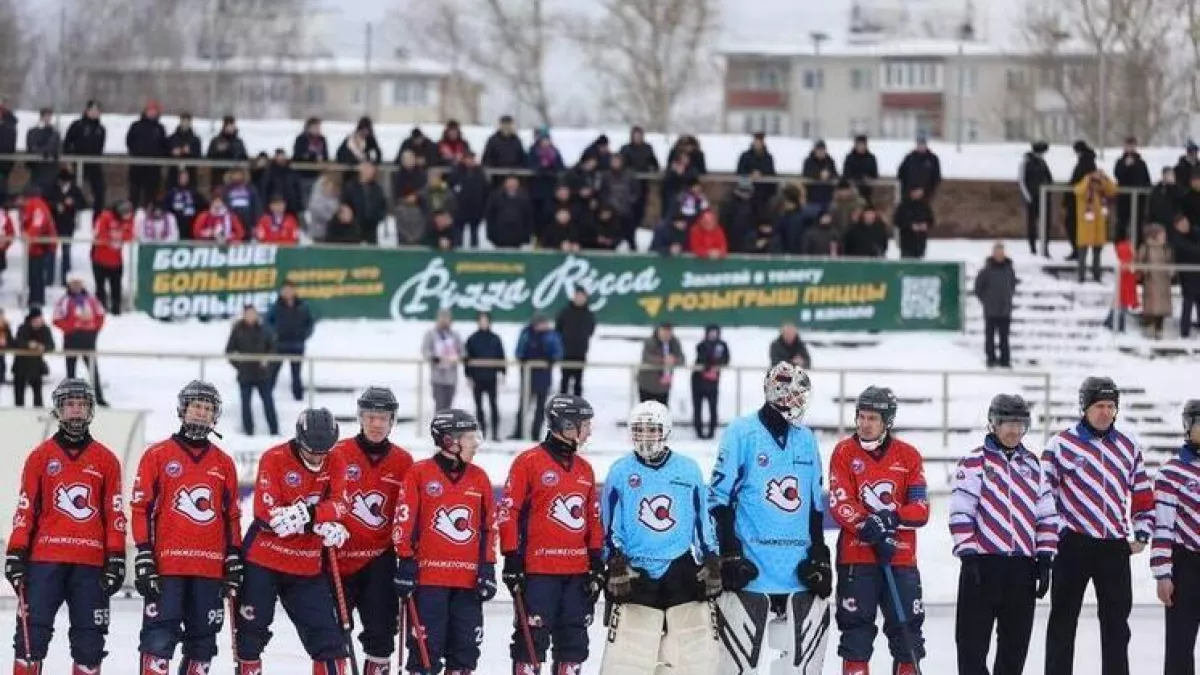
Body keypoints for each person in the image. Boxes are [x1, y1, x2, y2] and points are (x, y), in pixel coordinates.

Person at [709, 362, 832, 675]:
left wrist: (820, 555)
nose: (800, 401)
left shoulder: (806, 439)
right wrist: (729, 553)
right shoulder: (741, 432)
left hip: (798, 573)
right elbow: (719, 499)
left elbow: (814, 506)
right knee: (737, 667)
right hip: (751, 570)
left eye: (802, 395)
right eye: (795, 394)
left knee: (801, 669)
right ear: (778, 393)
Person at [5, 378, 126, 675]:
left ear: (90, 410)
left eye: (82, 405)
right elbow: (25, 508)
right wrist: (16, 552)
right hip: (44, 562)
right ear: (59, 409)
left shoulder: (106, 460)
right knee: (30, 640)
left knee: (90, 645)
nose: (76, 410)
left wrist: (116, 557)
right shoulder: (40, 456)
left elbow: (114, 514)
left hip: (90, 565)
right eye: (70, 404)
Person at [600, 400, 722, 675]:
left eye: (651, 429)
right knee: (629, 661)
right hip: (636, 571)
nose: (645, 436)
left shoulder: (688, 469)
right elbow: (607, 524)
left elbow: (702, 519)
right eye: (638, 430)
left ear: (665, 431)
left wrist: (711, 558)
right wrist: (614, 562)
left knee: (692, 658)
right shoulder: (620, 471)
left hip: (679, 567)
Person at [1042, 376, 1153, 675]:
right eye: (1099, 406)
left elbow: (1142, 492)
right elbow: (1043, 496)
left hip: (1113, 546)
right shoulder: (1061, 444)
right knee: (1063, 621)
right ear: (1084, 407)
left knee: (1117, 625)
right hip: (1073, 544)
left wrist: (1142, 532)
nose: (1105, 412)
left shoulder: (1128, 445)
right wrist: (1059, 533)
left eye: (1110, 406)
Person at [131, 380, 241, 675]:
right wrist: (144, 553)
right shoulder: (157, 455)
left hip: (209, 569)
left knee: (203, 644)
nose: (202, 413)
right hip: (168, 568)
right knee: (158, 639)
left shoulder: (224, 463)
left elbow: (232, 516)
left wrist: (233, 556)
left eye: (208, 409)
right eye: (196, 407)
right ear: (183, 409)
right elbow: (141, 508)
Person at [235, 407, 351, 675]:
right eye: (311, 451)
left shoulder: (337, 459)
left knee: (330, 641)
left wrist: (312, 516)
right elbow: (268, 515)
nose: (318, 457)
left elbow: (342, 503)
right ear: (299, 440)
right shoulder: (274, 458)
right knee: (250, 637)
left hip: (306, 565)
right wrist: (319, 521)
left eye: (324, 452)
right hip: (264, 559)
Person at [950, 394, 1056, 675]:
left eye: (1020, 424)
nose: (1014, 430)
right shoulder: (973, 462)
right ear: (993, 424)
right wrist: (968, 555)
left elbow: (1047, 516)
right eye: (1008, 423)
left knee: (1014, 650)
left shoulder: (1033, 465)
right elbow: (961, 513)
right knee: (971, 648)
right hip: (982, 566)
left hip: (1022, 568)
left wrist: (1045, 558)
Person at [497, 394, 603, 675]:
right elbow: (508, 512)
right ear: (567, 425)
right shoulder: (528, 462)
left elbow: (593, 519)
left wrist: (596, 561)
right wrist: (511, 558)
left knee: (574, 644)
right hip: (539, 572)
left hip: (576, 574)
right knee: (530, 643)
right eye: (585, 424)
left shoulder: (585, 469)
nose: (589, 431)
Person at [829, 386, 930, 675]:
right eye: (861, 416)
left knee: (908, 638)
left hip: (900, 559)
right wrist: (868, 526)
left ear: (887, 421)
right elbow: (840, 501)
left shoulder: (909, 456)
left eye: (872, 418)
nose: (865, 423)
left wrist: (889, 520)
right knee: (855, 638)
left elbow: (920, 509)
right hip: (857, 559)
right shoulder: (844, 452)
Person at [394, 409, 496, 675]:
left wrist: (488, 568)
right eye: (469, 437)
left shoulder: (479, 478)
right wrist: (405, 561)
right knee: (425, 654)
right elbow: (405, 521)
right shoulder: (419, 473)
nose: (475, 443)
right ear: (450, 441)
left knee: (465, 654)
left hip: (467, 583)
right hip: (429, 582)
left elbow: (489, 528)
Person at [332, 387, 414, 675]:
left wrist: (408, 557)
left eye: (383, 418)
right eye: (370, 417)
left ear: (392, 421)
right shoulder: (338, 453)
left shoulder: (404, 462)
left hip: (379, 560)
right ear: (360, 417)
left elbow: (408, 513)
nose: (376, 424)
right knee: (331, 635)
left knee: (381, 634)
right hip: (337, 558)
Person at [1152, 399, 1200, 675]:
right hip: (1187, 565)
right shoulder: (1171, 471)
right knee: (1180, 649)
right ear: (1188, 426)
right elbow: (1163, 526)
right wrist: (1163, 574)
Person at [53, 273, 108, 406]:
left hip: (88, 338)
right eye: (74, 283)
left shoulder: (91, 299)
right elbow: (56, 319)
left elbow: (101, 315)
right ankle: (70, 399)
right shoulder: (64, 300)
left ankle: (99, 398)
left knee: (93, 370)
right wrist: (71, 328)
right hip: (72, 338)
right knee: (71, 372)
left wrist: (94, 330)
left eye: (79, 283)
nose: (77, 286)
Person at [224, 305, 279, 436]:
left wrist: (267, 361)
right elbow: (229, 351)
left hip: (262, 374)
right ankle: (248, 430)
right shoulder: (237, 329)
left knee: (268, 402)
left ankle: (274, 430)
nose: (250, 316)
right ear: (244, 315)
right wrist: (239, 365)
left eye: (252, 313)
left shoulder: (265, 329)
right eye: (248, 314)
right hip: (245, 374)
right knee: (245, 404)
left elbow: (273, 348)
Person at [510, 315, 564, 441]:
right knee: (523, 406)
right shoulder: (526, 334)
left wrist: (552, 358)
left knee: (540, 408)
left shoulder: (551, 336)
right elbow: (519, 351)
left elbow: (558, 352)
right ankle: (519, 432)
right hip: (527, 376)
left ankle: (535, 434)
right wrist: (522, 358)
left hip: (543, 376)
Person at [266, 281, 315, 401]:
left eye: (290, 290)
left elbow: (310, 323)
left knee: (296, 374)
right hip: (279, 345)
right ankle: (267, 397)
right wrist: (274, 334)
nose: (287, 292)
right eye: (285, 290)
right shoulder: (276, 306)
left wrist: (304, 335)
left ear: (294, 291)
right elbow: (267, 322)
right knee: (272, 373)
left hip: (297, 345)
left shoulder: (302, 306)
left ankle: (298, 399)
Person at [973, 242, 1018, 369]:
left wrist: (1007, 298)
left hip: (1005, 309)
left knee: (1004, 337)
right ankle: (991, 358)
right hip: (990, 310)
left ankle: (1005, 359)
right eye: (997, 252)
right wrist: (986, 300)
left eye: (1001, 252)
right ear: (993, 254)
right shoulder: (986, 271)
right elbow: (978, 288)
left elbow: (1012, 285)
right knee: (990, 336)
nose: (999, 255)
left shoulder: (1009, 270)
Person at [464, 312, 506, 442]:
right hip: (477, 377)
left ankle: (495, 433)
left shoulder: (495, 338)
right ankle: (482, 432)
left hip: (491, 377)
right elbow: (467, 358)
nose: (483, 323)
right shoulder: (472, 339)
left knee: (493, 405)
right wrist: (468, 376)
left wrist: (503, 372)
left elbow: (501, 356)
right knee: (479, 407)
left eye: (485, 320)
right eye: (481, 320)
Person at [1072, 168, 1118, 283]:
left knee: (1097, 254)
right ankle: (1081, 276)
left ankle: (1096, 275)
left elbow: (1113, 189)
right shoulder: (1084, 191)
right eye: (1095, 181)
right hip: (1086, 228)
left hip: (1098, 229)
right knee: (1082, 254)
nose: (1096, 185)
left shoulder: (1101, 194)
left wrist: (1105, 177)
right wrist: (1088, 178)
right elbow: (1078, 190)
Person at [91, 199, 135, 314]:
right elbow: (100, 233)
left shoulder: (128, 220)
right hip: (99, 258)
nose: (127, 216)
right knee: (100, 286)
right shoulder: (105, 217)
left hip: (116, 260)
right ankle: (101, 309)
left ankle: (116, 309)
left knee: (116, 286)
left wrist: (119, 237)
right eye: (125, 213)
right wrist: (113, 238)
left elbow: (129, 235)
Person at [63, 101, 106, 211]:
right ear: (87, 111)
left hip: (94, 164)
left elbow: (100, 148)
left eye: (97, 110)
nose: (94, 113)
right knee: (75, 190)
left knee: (100, 190)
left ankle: (97, 216)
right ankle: (74, 213)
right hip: (77, 163)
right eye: (92, 110)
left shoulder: (101, 129)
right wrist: (68, 161)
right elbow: (67, 144)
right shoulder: (77, 125)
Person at [691, 324, 729, 440]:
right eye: (710, 332)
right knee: (698, 407)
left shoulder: (722, 345)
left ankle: (711, 432)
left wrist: (715, 364)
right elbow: (702, 357)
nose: (712, 335)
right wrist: (709, 363)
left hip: (712, 382)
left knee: (713, 407)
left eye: (715, 332)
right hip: (698, 381)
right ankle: (699, 432)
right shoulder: (701, 345)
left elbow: (725, 359)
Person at [422, 308, 465, 412]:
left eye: (446, 318)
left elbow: (463, 351)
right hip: (438, 377)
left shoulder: (455, 335)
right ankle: (439, 422)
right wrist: (434, 358)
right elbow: (425, 350)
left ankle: (447, 423)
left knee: (448, 406)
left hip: (451, 377)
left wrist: (459, 357)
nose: (444, 320)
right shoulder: (431, 334)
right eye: (442, 317)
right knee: (440, 406)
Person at [19, 185, 55, 308]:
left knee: (36, 275)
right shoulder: (33, 206)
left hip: (40, 247)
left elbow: (38, 223)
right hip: (34, 246)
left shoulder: (37, 205)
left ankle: (37, 300)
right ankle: (34, 299)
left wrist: (28, 235)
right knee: (33, 274)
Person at [556, 288, 596, 396]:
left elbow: (591, 330)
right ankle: (563, 404)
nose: (579, 298)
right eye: (577, 296)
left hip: (580, 353)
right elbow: (558, 329)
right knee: (564, 381)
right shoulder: (565, 312)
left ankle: (577, 404)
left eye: (582, 296)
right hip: (566, 352)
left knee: (578, 382)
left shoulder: (588, 314)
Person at [49, 169, 86, 286]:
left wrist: (73, 203)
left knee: (66, 251)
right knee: (51, 251)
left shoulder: (75, 190)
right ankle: (49, 279)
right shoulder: (53, 189)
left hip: (67, 224)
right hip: (54, 224)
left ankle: (65, 278)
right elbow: (47, 201)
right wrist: (56, 206)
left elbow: (83, 204)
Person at [12, 307, 54, 408]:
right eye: (36, 320)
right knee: (19, 395)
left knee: (38, 396)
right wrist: (28, 345)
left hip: (36, 366)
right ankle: (18, 413)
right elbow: (18, 342)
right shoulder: (23, 328)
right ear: (31, 319)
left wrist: (43, 347)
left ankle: (38, 413)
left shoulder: (45, 329)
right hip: (21, 365)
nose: (38, 322)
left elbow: (51, 345)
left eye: (40, 319)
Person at [1137, 225, 1172, 339]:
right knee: (1152, 304)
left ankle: (1159, 328)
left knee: (1162, 305)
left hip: (1164, 281)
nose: (1164, 237)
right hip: (1151, 280)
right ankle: (1149, 325)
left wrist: (1171, 271)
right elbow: (1139, 262)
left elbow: (1169, 261)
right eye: (1161, 235)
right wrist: (1146, 270)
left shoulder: (1166, 248)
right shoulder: (1146, 247)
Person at [1019, 140, 1054, 255]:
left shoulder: (1043, 162)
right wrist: (1028, 196)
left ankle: (1045, 247)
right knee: (1032, 224)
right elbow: (1022, 180)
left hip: (1044, 197)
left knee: (1046, 224)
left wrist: (1049, 190)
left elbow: (1049, 178)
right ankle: (1032, 247)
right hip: (1032, 197)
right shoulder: (1026, 162)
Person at [637, 323, 684, 405]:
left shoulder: (674, 342)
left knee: (662, 410)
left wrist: (674, 360)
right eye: (664, 332)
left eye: (669, 332)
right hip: (647, 385)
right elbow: (647, 357)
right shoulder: (650, 341)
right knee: (647, 410)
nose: (666, 335)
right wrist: (662, 360)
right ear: (658, 331)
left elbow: (682, 359)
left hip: (664, 387)